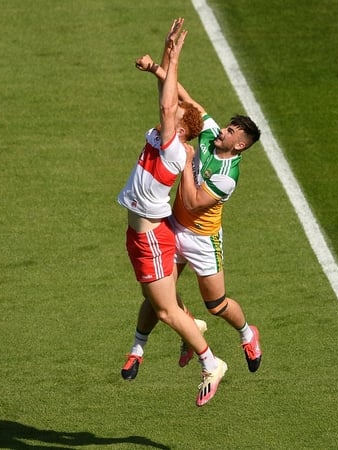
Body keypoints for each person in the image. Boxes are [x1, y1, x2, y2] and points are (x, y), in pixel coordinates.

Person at [128, 53, 264, 375]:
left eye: (231, 132)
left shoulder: (226, 176)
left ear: (240, 146)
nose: (223, 131)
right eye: (227, 126)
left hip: (203, 239)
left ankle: (247, 334)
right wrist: (156, 70)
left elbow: (191, 201)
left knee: (215, 304)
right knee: (160, 295)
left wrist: (188, 161)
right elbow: (185, 100)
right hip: (174, 227)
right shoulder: (210, 131)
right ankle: (138, 349)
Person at [117, 18, 227, 407]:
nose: (169, 112)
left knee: (164, 309)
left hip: (151, 237)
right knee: (157, 302)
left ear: (182, 128)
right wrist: (160, 60)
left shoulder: (174, 148)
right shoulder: (168, 137)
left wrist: (174, 56)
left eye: (177, 115)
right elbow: (166, 98)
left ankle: (210, 362)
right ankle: (155, 340)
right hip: (142, 234)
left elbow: (168, 102)